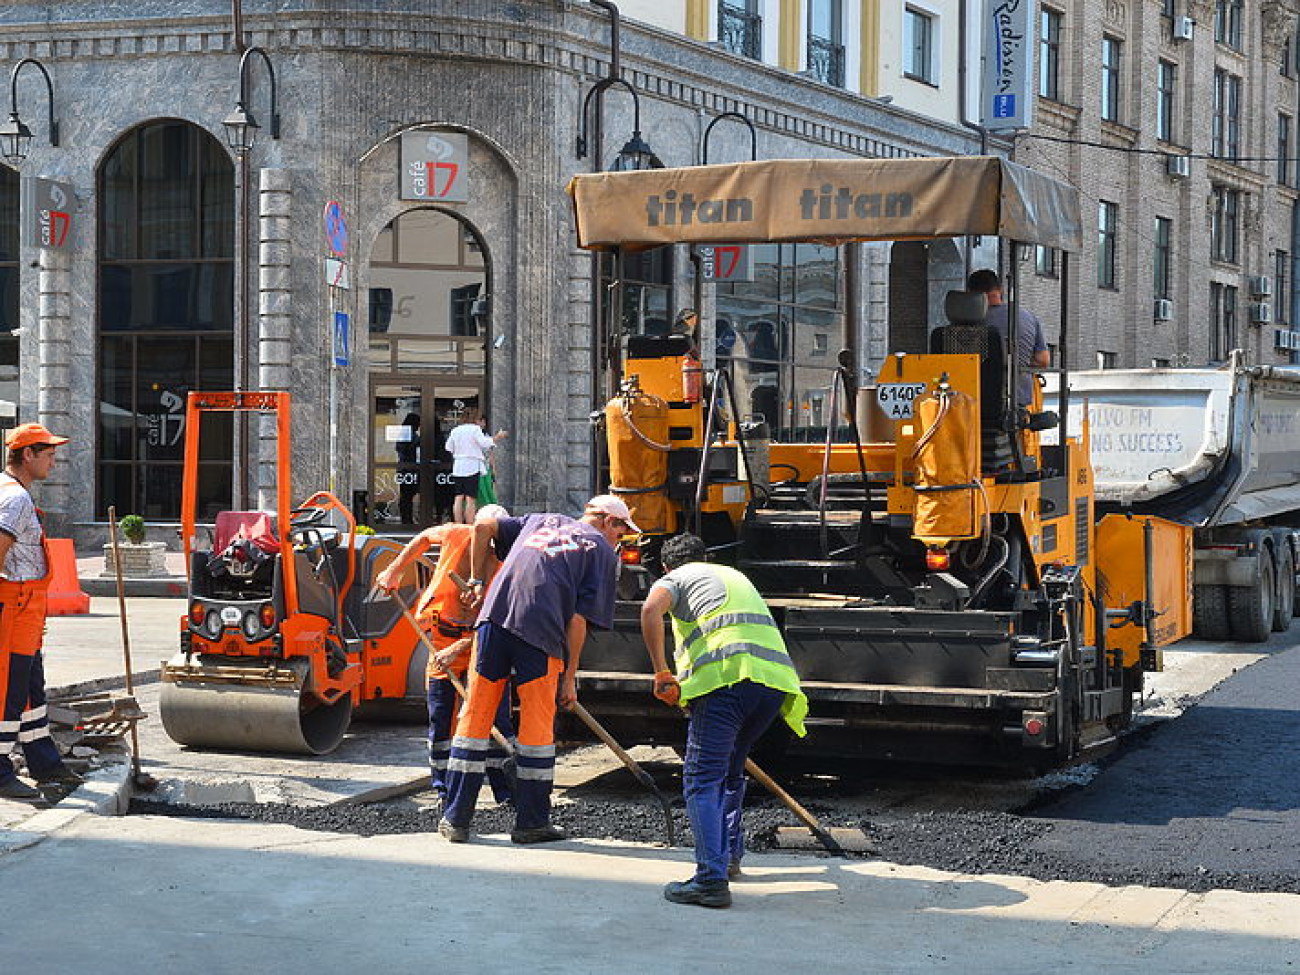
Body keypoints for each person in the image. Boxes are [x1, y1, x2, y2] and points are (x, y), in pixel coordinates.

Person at [438, 494, 633, 845]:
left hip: (491, 623)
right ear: (608, 521)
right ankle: (531, 823)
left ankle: (455, 819)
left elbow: (481, 526)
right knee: (537, 729)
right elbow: (577, 620)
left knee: (474, 719)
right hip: (541, 635)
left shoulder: (539, 521)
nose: (618, 542)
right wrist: (570, 678)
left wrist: (476, 580)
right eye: (621, 533)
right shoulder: (600, 550)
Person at [640, 533, 808, 909]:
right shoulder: (732, 576)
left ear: (667, 567)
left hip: (727, 684)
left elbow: (650, 610)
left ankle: (710, 880)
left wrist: (661, 672)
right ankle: (728, 856)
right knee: (730, 771)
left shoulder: (676, 579)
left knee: (701, 779)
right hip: (772, 685)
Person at [374, 503, 515, 802]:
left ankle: (505, 790)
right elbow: (424, 538)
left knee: (495, 718)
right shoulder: (456, 535)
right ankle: (443, 789)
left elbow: (501, 624)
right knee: (440, 715)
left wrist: (460, 648)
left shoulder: (508, 562)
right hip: (442, 636)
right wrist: (393, 569)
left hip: (484, 644)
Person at [0, 423, 85, 801]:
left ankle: (43, 761)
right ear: (26, 455)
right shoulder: (14, 500)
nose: (54, 458)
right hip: (13, 609)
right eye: (47, 452)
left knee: (30, 691)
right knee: (7, 691)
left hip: (26, 608)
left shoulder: (11, 492)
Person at [966, 268, 1050, 409]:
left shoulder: (970, 323)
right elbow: (1043, 360)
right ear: (1000, 289)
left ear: (971, 294)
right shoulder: (1027, 317)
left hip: (978, 400)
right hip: (1019, 400)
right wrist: (1018, 359)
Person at [444, 410, 507, 524]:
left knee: (458, 498)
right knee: (470, 498)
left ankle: (458, 524)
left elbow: (449, 447)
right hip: (472, 465)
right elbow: (484, 443)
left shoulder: (455, 430)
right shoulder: (475, 429)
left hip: (458, 466)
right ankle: (469, 524)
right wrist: (497, 437)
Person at [395, 412, 422, 525]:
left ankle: (406, 519)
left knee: (406, 496)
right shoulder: (410, 434)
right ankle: (408, 520)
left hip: (404, 467)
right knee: (408, 496)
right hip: (410, 468)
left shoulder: (403, 433)